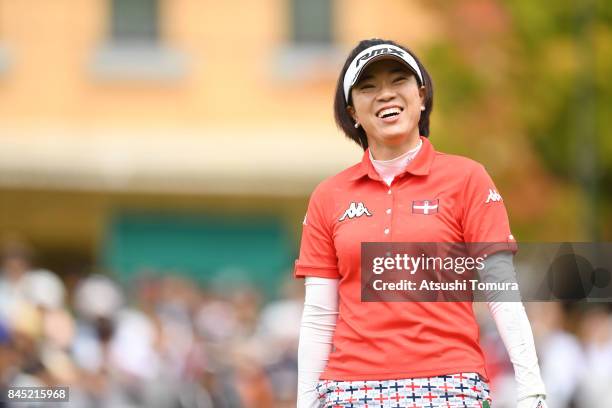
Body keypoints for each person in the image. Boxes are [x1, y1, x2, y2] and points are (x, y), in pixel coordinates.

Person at [295, 39, 548, 408]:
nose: (385, 95)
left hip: (450, 385)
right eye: (368, 87)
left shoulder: (467, 179)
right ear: (352, 112)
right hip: (350, 390)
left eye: (399, 81)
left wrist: (531, 389)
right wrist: (305, 402)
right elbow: (319, 315)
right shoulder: (328, 196)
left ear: (422, 95)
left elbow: (501, 291)